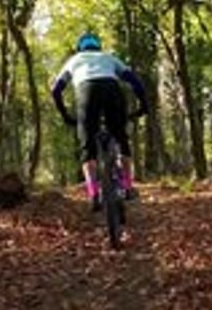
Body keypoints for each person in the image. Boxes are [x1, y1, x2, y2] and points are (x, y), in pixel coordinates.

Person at [51, 32, 148, 210]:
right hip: (112, 90)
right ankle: (127, 187)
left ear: (80, 47)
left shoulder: (74, 60)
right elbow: (135, 81)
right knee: (120, 138)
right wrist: (144, 105)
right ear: (98, 46)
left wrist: (65, 114)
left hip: (86, 93)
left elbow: (56, 90)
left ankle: (94, 193)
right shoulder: (109, 58)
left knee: (87, 148)